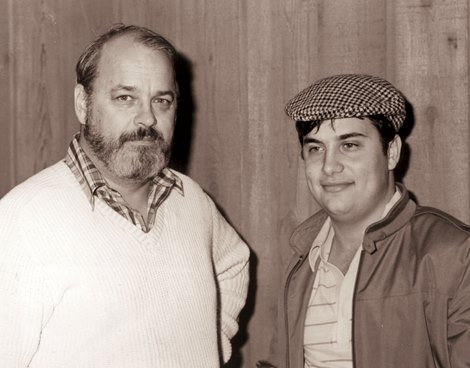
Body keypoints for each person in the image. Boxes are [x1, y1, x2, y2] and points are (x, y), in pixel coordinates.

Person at [0, 24, 249, 367]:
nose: (147, 117)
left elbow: (234, 263)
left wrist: (206, 348)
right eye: (125, 97)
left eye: (161, 100)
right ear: (83, 104)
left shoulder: (191, 200)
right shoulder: (22, 219)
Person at [259, 74, 470, 367]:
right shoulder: (302, 260)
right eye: (315, 149)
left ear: (392, 152)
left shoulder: (456, 255)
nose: (329, 167)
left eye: (350, 145)